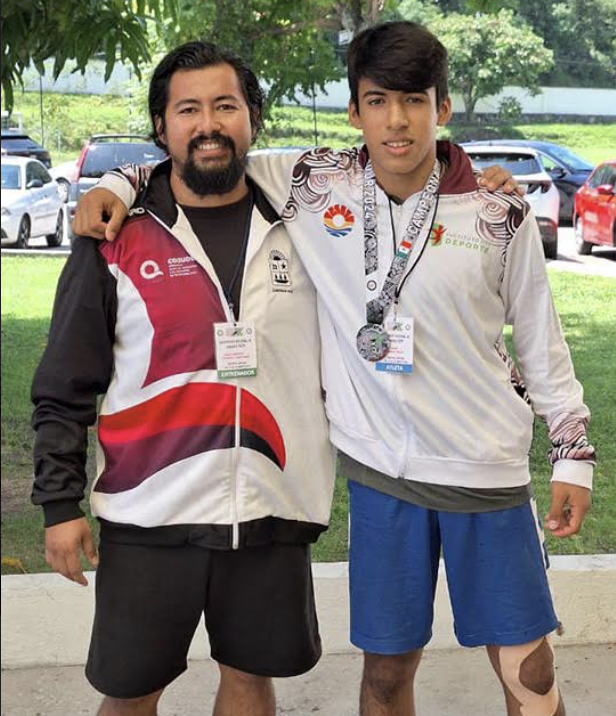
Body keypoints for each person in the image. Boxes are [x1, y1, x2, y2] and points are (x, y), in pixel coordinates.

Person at [72, 23, 594, 716]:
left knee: (530, 680)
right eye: (377, 101)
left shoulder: (499, 211)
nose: (396, 120)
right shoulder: (316, 184)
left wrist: (572, 456)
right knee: (383, 678)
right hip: (382, 479)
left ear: (441, 108)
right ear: (355, 111)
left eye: (414, 100)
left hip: (484, 472)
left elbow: (542, 343)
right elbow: (204, 154)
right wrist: (113, 179)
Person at [31, 42, 337, 716]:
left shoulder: (308, 221)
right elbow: (65, 382)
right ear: (162, 127)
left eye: (225, 106)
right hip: (149, 512)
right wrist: (59, 505)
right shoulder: (114, 235)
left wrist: (472, 178)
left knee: (252, 680)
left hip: (271, 504)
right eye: (188, 109)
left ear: (253, 118)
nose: (208, 124)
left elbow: (400, 167)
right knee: (131, 692)